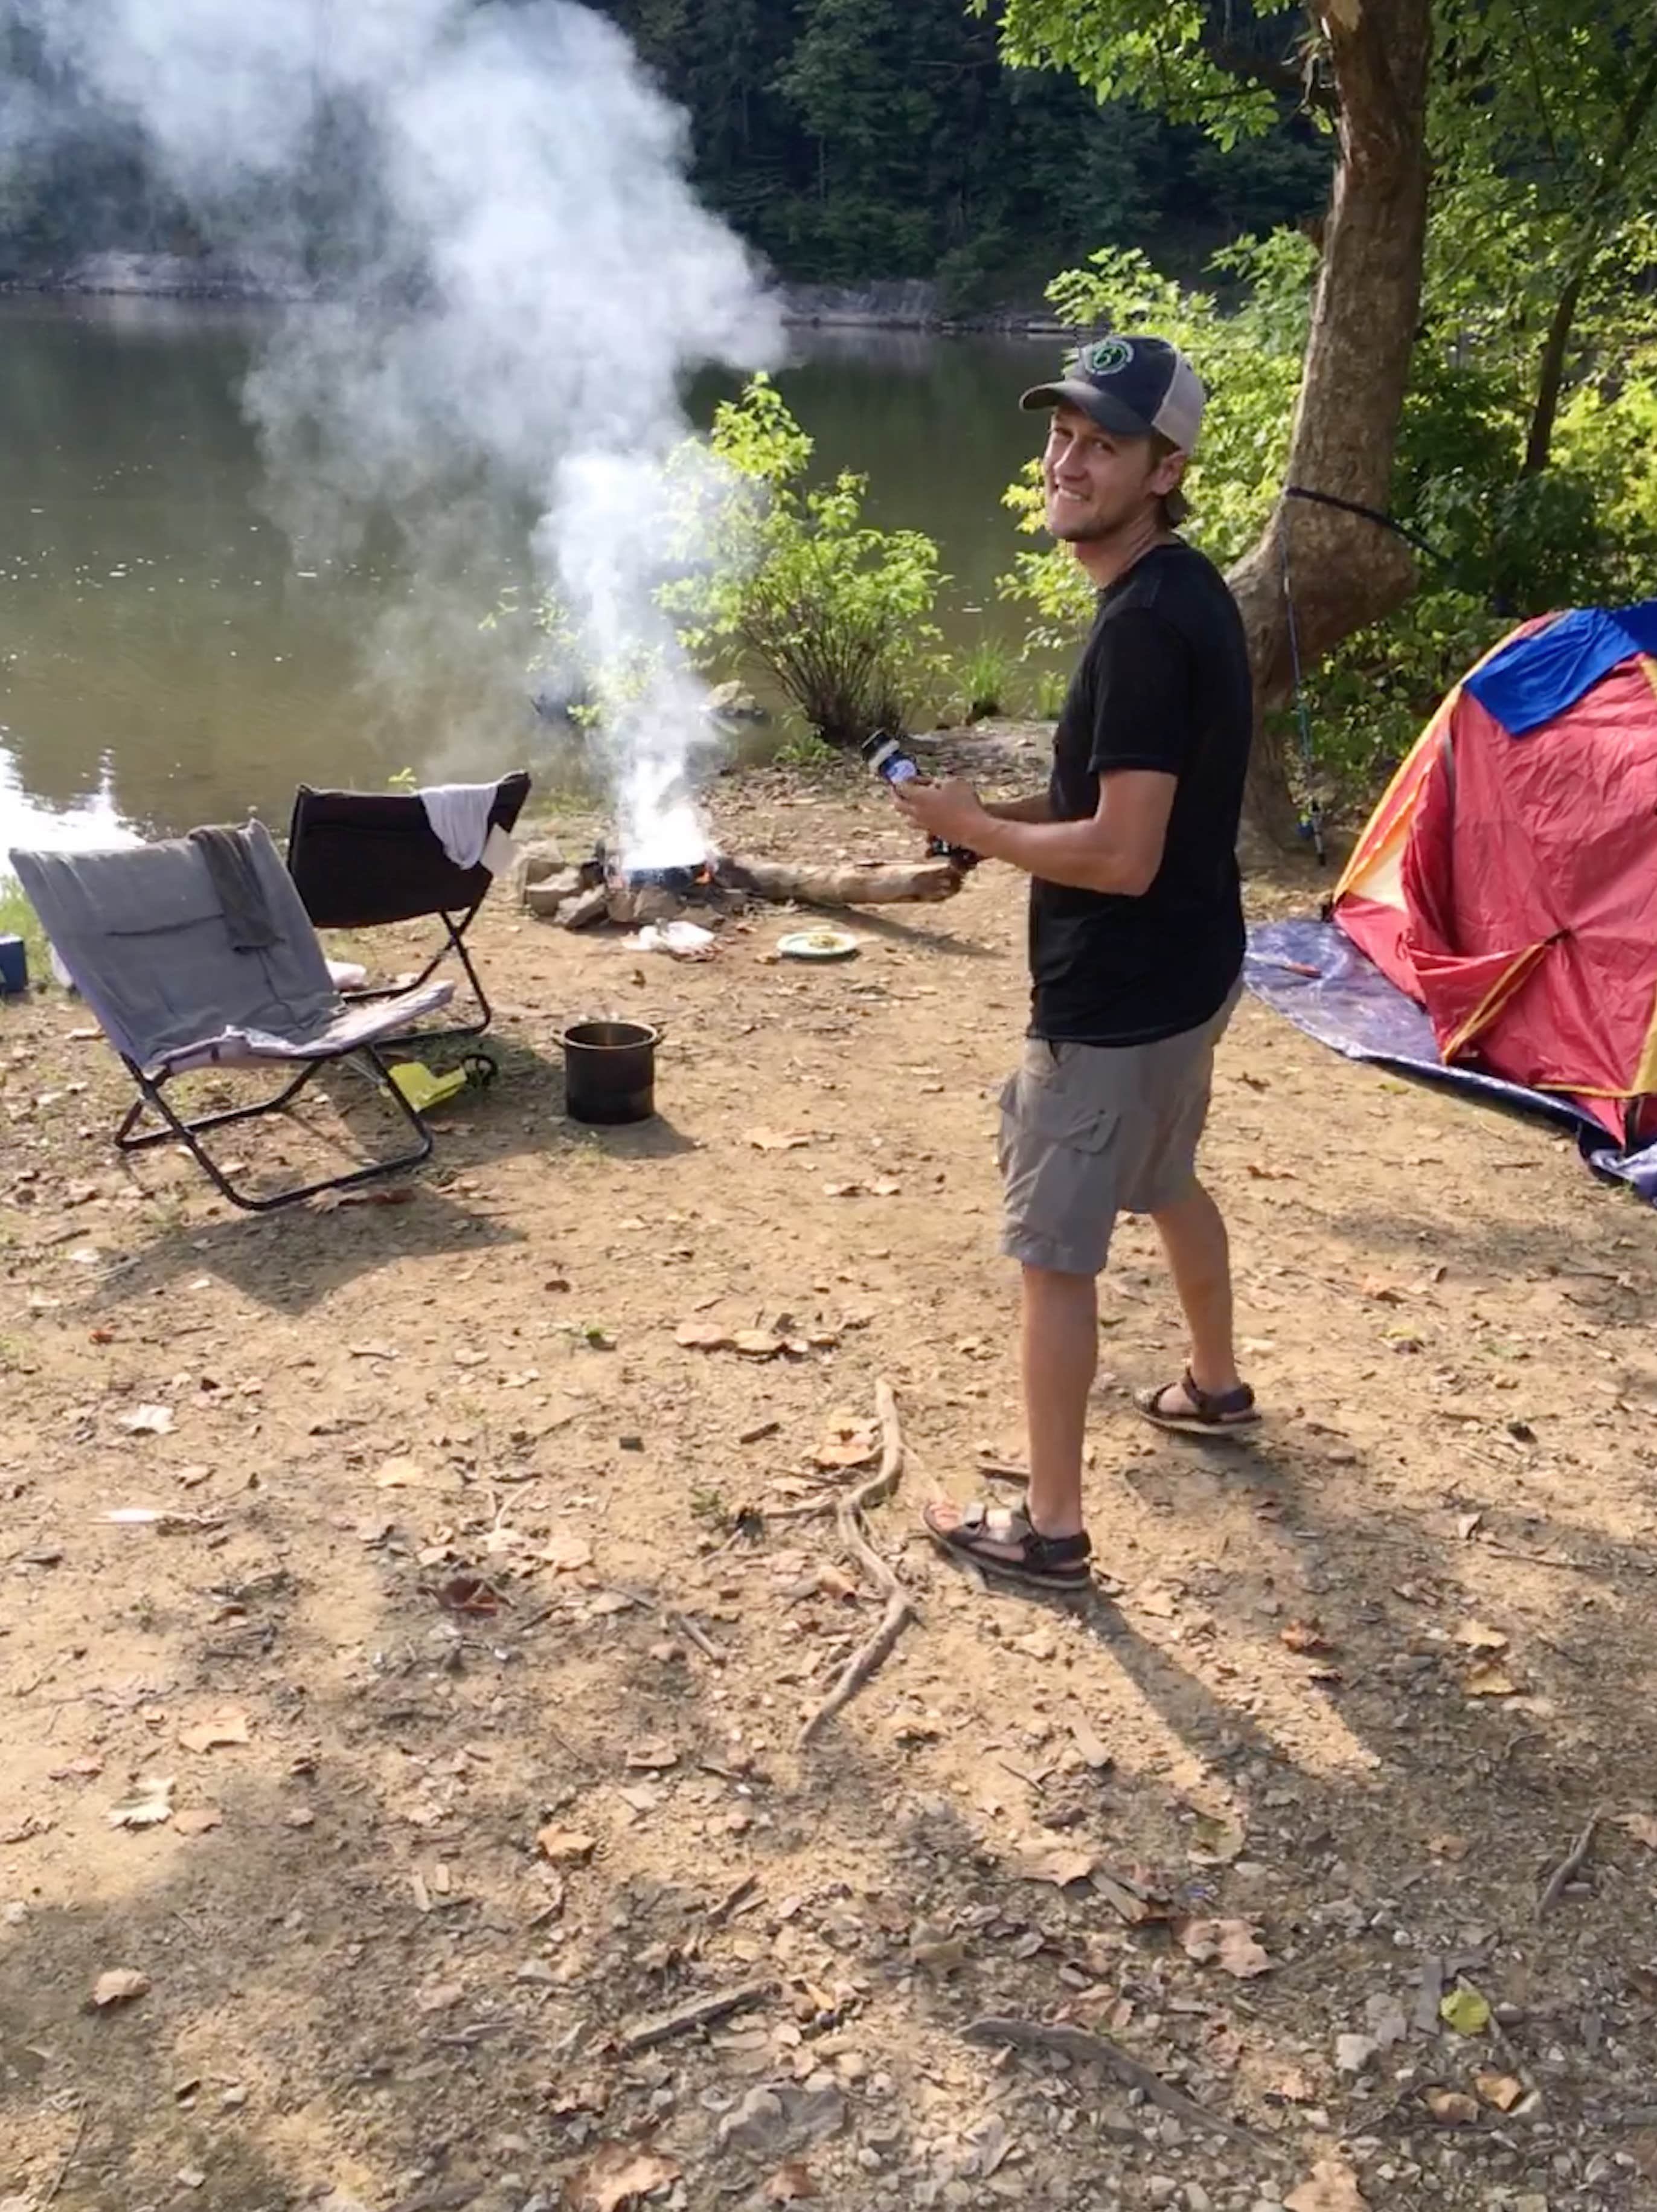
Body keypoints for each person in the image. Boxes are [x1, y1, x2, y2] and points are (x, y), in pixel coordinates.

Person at [894, 333, 1257, 1595]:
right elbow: (1124, 811)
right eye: (1062, 434)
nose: (1069, 460)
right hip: (1192, 975)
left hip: (1114, 1000)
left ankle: (1048, 1530)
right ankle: (1213, 1387)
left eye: (1104, 444)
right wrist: (1002, 827)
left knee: (1054, 1258)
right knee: (1168, 1178)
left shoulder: (1143, 630)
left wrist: (978, 830)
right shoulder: (1187, 588)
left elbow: (1121, 853)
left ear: (1165, 468)